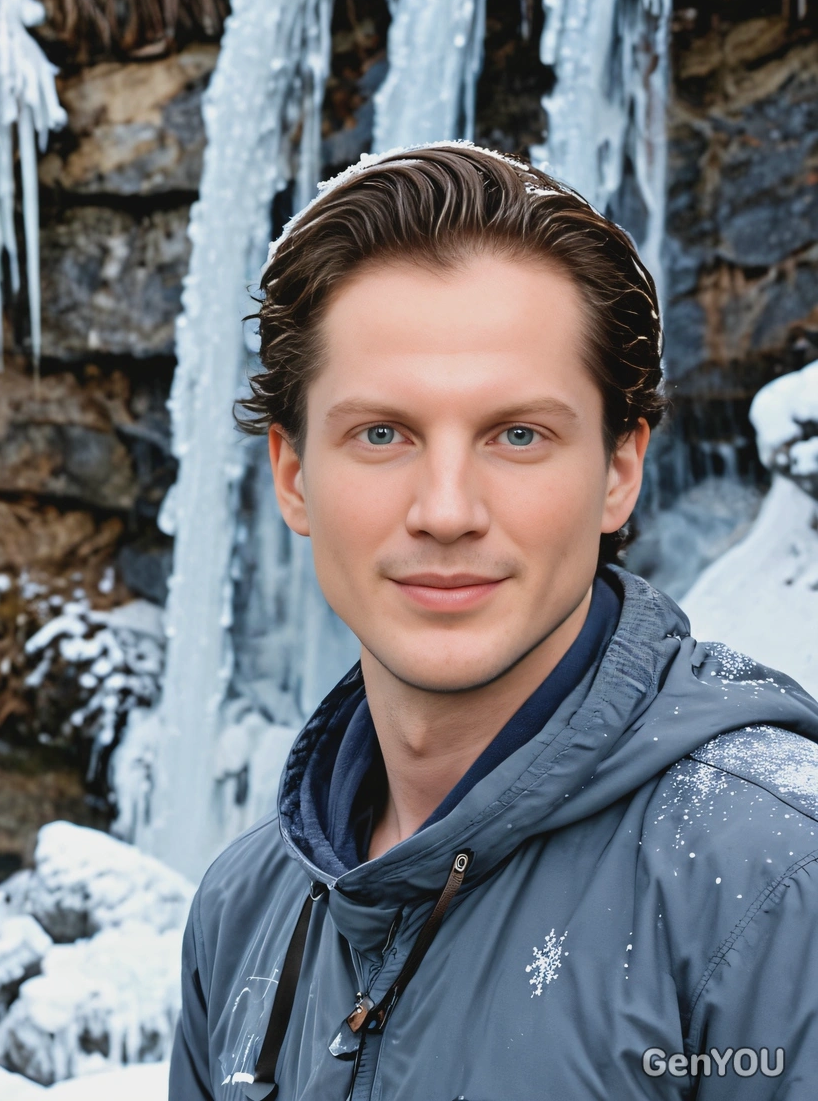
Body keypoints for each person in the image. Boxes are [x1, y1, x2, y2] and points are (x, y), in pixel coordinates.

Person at [170, 143, 818, 1101]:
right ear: (294, 473)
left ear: (618, 471)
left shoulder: (776, 882)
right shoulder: (245, 906)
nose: (446, 508)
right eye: (381, 433)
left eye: (518, 434)